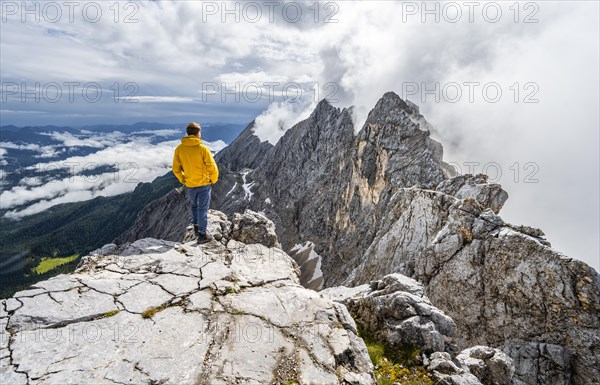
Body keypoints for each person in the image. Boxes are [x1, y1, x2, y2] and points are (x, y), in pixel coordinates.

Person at [172, 122, 219, 244]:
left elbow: (175, 168)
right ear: (198, 133)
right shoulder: (203, 149)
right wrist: (213, 179)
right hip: (203, 184)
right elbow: (212, 167)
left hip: (190, 184)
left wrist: (183, 179)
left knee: (194, 206)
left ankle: (196, 228)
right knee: (202, 209)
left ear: (188, 133)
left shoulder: (179, 149)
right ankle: (202, 235)